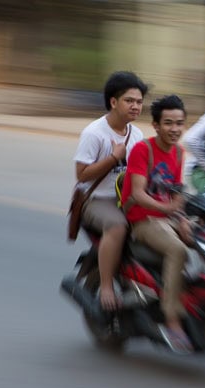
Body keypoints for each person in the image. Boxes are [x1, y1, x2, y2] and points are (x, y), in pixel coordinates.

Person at [120, 94, 193, 353]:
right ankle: (172, 318)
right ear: (156, 125)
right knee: (178, 250)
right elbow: (138, 194)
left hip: (167, 218)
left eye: (179, 123)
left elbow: (177, 191)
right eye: (168, 123)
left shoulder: (180, 152)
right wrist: (168, 209)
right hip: (142, 220)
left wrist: (182, 218)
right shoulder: (144, 149)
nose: (175, 129)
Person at [73, 71, 147, 311]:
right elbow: (82, 175)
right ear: (113, 102)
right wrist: (113, 158)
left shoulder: (136, 135)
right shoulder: (94, 133)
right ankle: (106, 286)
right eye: (129, 101)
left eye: (139, 101)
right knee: (117, 226)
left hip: (125, 197)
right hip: (97, 200)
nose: (136, 106)